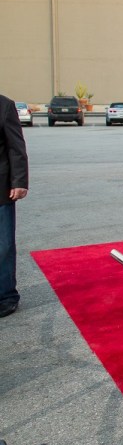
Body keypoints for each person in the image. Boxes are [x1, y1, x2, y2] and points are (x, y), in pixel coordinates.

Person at [0, 94, 29, 318]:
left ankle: (6, 296)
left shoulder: (4, 105)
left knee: (4, 246)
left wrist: (19, 181)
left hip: (1, 191)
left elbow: (15, 147)